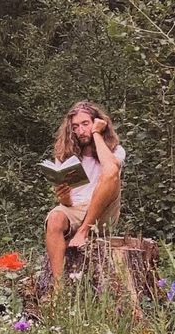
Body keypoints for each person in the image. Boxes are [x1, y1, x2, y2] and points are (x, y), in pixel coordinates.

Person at [45, 101, 125, 281]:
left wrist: (96, 133)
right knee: (55, 218)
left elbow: (111, 169)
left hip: (103, 211)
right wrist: (64, 198)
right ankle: (58, 290)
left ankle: (83, 231)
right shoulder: (65, 155)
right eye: (75, 127)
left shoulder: (116, 150)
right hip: (76, 209)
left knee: (111, 171)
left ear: (97, 122)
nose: (80, 131)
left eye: (85, 124)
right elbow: (68, 205)